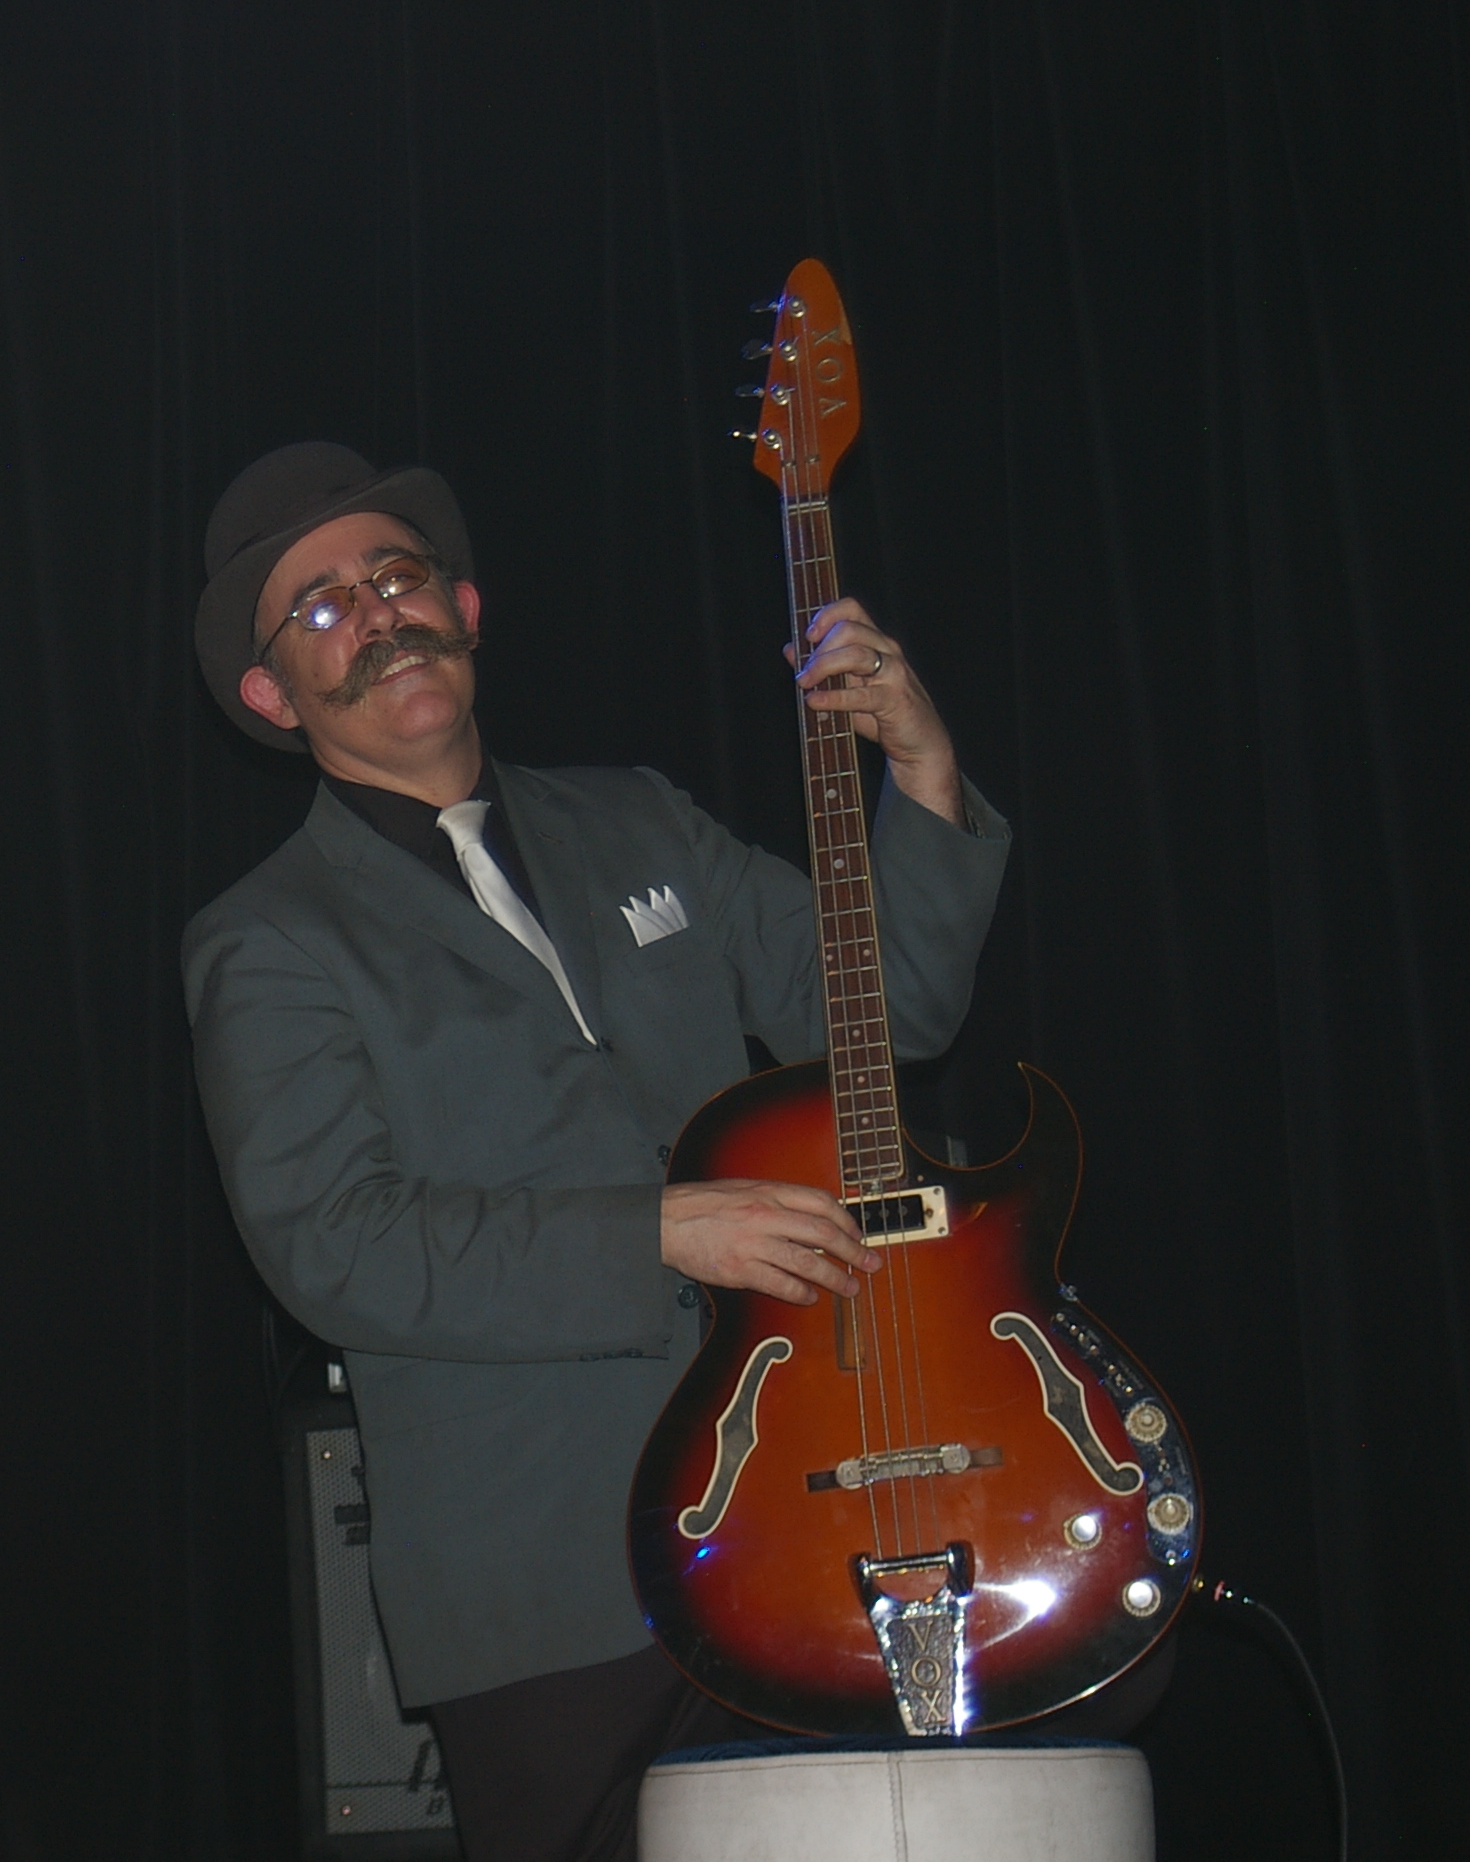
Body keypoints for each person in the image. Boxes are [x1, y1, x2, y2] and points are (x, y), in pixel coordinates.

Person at [180, 442, 1015, 1861]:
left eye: (397, 574)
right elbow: (336, 1243)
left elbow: (892, 1009)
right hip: (545, 1587)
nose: (378, 613)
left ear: (465, 606)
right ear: (271, 695)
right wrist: (659, 1231)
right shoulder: (266, 940)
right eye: (320, 607)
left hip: (804, 1507)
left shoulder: (639, 818)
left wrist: (924, 771)